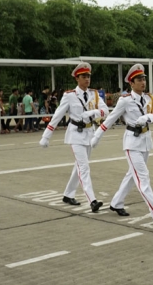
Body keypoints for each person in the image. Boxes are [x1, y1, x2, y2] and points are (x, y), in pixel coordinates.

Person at [92, 64, 153, 223]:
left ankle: (116, 202)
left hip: (146, 141)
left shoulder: (148, 98)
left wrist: (148, 118)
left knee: (132, 176)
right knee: (143, 176)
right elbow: (111, 118)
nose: (143, 82)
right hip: (132, 142)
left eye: (144, 79)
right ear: (131, 83)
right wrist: (97, 135)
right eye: (139, 80)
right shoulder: (125, 100)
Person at [39, 62, 109, 213]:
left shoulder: (94, 94)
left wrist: (93, 113)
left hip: (89, 133)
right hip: (76, 133)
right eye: (84, 76)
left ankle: (68, 194)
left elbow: (105, 111)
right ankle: (92, 200)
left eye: (88, 76)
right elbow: (57, 116)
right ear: (77, 78)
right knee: (84, 167)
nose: (87, 79)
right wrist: (47, 135)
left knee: (79, 166)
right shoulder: (69, 96)